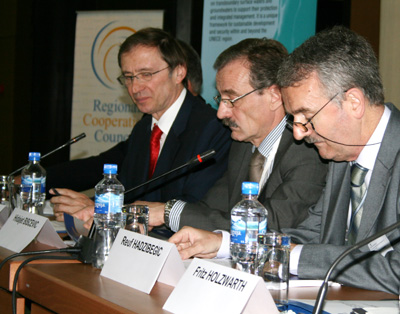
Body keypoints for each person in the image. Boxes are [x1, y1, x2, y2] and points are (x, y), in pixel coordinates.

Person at [168, 26, 400, 295]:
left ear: (353, 102)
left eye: (306, 116)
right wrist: (225, 244)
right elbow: (309, 235)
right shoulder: (341, 156)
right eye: (294, 119)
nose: (299, 133)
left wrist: (297, 257)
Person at [136, 38, 328, 237]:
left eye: (231, 100)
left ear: (275, 96)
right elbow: (209, 209)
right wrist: (161, 218)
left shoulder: (307, 151)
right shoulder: (243, 146)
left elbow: (269, 225)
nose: (221, 113)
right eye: (220, 99)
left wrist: (168, 213)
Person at [49, 28, 232, 228]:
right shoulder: (143, 128)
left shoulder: (213, 129)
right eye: (129, 77)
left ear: (179, 72)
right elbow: (131, 195)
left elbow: (193, 209)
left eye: (146, 74)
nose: (135, 88)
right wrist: (93, 206)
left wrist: (101, 208)